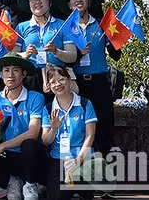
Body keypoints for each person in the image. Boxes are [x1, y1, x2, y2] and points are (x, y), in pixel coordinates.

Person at [0, 53, 47, 200]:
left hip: (29, 155)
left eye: (15, 70)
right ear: (1, 74)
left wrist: (2, 146)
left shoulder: (35, 97)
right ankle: (13, 181)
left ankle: (30, 185)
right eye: (6, 70)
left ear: (24, 74)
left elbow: (33, 133)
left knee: (29, 144)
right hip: (7, 156)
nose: (11, 75)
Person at [63, 0, 120, 155]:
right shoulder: (65, 28)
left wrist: (112, 43)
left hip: (100, 81)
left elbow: (117, 56)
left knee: (104, 127)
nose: (78, 0)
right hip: (76, 84)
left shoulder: (103, 25)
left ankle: (106, 170)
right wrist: (79, 53)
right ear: (68, 4)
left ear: (89, 1)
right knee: (78, 128)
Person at [41, 66, 97, 200]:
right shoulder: (48, 109)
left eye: (61, 79)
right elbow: (45, 140)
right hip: (58, 158)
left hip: (82, 157)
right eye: (53, 82)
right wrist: (54, 129)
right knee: (58, 196)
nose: (58, 84)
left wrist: (79, 159)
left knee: (86, 194)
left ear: (69, 80)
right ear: (49, 85)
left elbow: (90, 135)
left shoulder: (84, 104)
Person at [14, 0, 77, 95]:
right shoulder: (21, 27)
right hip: (30, 79)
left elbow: (72, 56)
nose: (37, 2)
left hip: (56, 79)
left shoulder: (62, 25)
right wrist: (26, 54)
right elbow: (13, 55)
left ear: (50, 3)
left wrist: (56, 51)